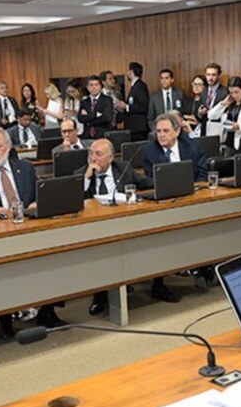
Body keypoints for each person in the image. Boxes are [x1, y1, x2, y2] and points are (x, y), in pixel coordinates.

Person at [0, 127, 65, 335]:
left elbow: (38, 193)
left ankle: (48, 311)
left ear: (8, 147)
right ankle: (5, 319)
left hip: (28, 229)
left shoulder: (25, 168)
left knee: (50, 256)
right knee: (1, 270)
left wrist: (36, 203)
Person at [79, 138, 153, 316]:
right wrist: (86, 178)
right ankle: (100, 295)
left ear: (111, 158)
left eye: (98, 154)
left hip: (124, 222)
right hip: (94, 228)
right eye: (91, 154)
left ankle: (131, 282)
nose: (93, 159)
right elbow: (73, 199)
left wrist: (165, 180)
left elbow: (143, 183)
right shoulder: (82, 173)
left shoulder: (123, 168)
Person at [142, 113, 209, 303]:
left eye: (166, 131)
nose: (161, 135)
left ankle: (203, 269)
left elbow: (203, 174)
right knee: (161, 238)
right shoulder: (149, 151)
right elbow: (151, 181)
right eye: (158, 131)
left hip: (192, 199)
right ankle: (158, 284)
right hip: (165, 205)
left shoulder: (192, 146)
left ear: (177, 131)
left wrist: (194, 193)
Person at [208, 76, 241, 155]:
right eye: (231, 93)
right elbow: (211, 116)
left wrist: (239, 127)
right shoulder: (229, 104)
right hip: (227, 143)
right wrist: (224, 103)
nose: (234, 96)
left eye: (236, 92)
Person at [116, 62, 150, 142]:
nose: (127, 73)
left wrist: (126, 106)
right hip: (134, 128)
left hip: (139, 128)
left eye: (128, 71)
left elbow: (144, 107)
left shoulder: (140, 86)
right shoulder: (135, 86)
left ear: (131, 72)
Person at [147, 68, 184, 133]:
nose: (164, 81)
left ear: (172, 80)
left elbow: (183, 112)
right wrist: (156, 130)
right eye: (162, 78)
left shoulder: (179, 94)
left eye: (166, 78)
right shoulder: (154, 98)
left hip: (176, 129)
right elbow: (150, 118)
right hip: (160, 130)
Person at [78, 75, 114, 140]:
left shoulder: (107, 100)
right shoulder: (84, 102)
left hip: (102, 134)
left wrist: (88, 120)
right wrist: (96, 115)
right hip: (87, 136)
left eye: (96, 85)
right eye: (91, 85)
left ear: (100, 86)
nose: (94, 87)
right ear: (87, 87)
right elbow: (80, 118)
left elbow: (107, 118)